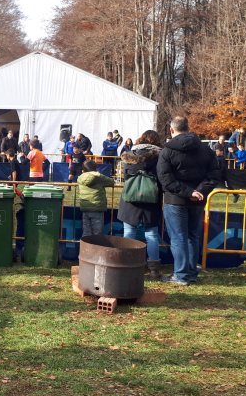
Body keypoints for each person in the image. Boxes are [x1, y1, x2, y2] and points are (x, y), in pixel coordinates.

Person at [157, 116, 219, 285]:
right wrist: (198, 191)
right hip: (197, 199)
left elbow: (165, 178)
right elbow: (214, 175)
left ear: (171, 130)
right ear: (188, 127)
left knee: (179, 238)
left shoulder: (167, 151)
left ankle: (181, 275)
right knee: (192, 236)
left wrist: (188, 192)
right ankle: (190, 272)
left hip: (175, 199)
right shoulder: (206, 150)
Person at [118, 130, 163, 279]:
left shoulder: (129, 155)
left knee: (129, 233)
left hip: (131, 198)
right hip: (152, 199)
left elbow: (125, 176)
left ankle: (126, 264)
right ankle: (154, 269)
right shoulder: (160, 157)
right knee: (152, 235)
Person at [77, 160, 115, 237]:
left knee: (86, 232)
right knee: (97, 233)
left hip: (85, 207)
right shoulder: (98, 177)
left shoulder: (80, 177)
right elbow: (111, 182)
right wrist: (98, 174)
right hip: (97, 208)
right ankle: (96, 244)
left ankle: (85, 244)